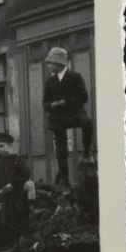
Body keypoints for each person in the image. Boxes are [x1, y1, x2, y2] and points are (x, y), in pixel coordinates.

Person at [41, 46, 94, 187]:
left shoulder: (75, 77)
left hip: (74, 112)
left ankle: (87, 153)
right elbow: (45, 103)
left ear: (59, 63)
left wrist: (66, 102)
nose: (48, 66)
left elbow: (83, 97)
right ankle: (64, 178)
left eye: (50, 63)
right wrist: (52, 105)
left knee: (87, 123)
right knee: (60, 146)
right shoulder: (49, 82)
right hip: (58, 117)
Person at [0, 132, 36, 252]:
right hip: (5, 196)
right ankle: (12, 244)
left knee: (19, 216)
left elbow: (25, 173)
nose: (0, 149)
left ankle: (21, 243)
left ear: (9, 146)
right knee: (6, 219)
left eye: (2, 146)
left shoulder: (17, 159)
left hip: (18, 194)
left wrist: (13, 184)